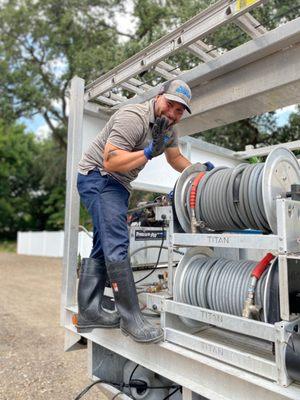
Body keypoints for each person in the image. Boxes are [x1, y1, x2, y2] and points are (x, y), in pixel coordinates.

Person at [76, 79, 213, 343]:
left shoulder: (168, 128)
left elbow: (175, 159)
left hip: (117, 183)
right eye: (170, 105)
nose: (172, 114)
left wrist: (199, 171)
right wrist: (149, 152)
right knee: (116, 242)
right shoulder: (134, 117)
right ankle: (131, 320)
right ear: (159, 96)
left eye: (179, 110)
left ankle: (89, 310)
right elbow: (111, 160)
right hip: (99, 176)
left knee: (103, 243)